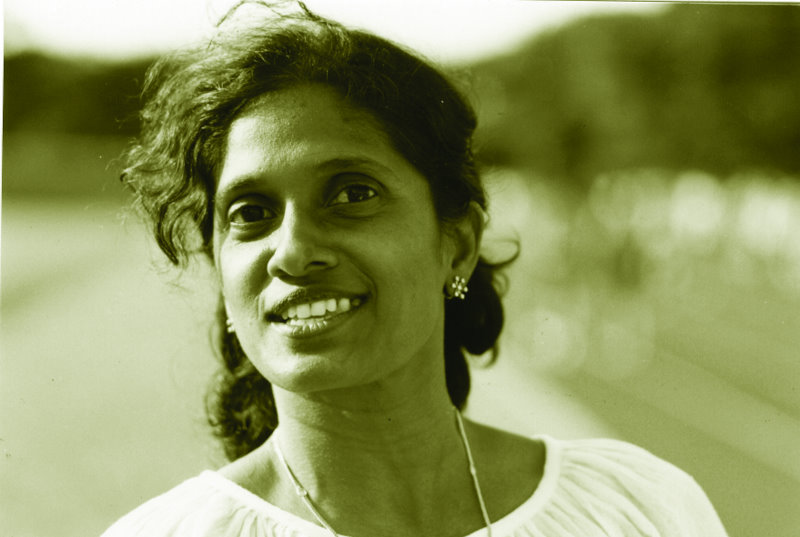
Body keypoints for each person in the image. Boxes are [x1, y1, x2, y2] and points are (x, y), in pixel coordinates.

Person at [102, 2, 728, 535]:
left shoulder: (636, 507)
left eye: (352, 194)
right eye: (251, 212)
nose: (292, 251)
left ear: (457, 244)